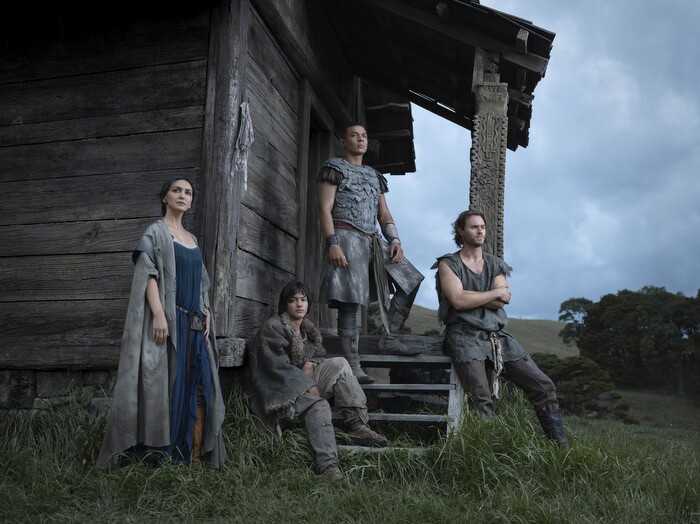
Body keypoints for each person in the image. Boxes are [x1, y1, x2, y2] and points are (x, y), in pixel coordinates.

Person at [97, 177, 227, 468]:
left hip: (195, 326)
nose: (183, 195)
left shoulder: (192, 240)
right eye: (176, 190)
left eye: (188, 192)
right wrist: (158, 314)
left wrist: (205, 308)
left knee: (201, 385)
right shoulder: (156, 232)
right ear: (165, 197)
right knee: (168, 386)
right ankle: (164, 457)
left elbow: (202, 283)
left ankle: (194, 457)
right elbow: (147, 272)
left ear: (192, 201)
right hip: (170, 323)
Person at [433, 210, 569, 448]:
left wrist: (475, 295)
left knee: (543, 385)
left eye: (482, 227)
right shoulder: (448, 264)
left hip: (496, 336)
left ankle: (561, 449)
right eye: (474, 227)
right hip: (464, 336)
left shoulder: (495, 264)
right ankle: (481, 456)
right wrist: (491, 293)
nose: (479, 231)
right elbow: (457, 301)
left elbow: (502, 300)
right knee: (482, 399)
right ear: (461, 231)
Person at [245, 280, 388, 482]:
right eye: (293, 300)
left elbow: (319, 356)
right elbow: (273, 366)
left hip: (300, 382)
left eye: (303, 299)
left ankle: (358, 426)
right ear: (285, 305)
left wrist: (311, 363)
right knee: (320, 405)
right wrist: (307, 383)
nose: (299, 304)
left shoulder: (308, 332)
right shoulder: (274, 327)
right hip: (278, 389)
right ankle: (329, 468)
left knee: (340, 363)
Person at [316, 123, 424, 384]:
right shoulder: (334, 168)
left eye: (364, 135)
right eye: (354, 135)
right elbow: (324, 208)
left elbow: (384, 213)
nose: (360, 139)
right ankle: (353, 365)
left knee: (410, 279)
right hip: (345, 235)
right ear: (343, 141)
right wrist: (332, 243)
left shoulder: (375, 176)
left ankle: (390, 339)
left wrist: (395, 239)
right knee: (350, 302)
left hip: (373, 239)